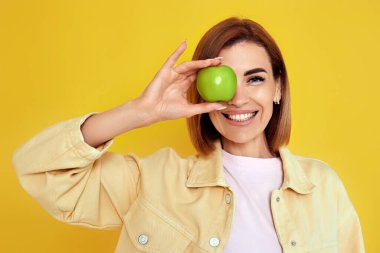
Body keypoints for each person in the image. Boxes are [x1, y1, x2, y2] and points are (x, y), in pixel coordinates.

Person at [12, 17, 365, 253]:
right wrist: (139, 111)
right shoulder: (154, 180)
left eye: (255, 78)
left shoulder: (322, 187)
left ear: (278, 88)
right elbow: (39, 169)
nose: (238, 98)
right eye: (225, 80)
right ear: (202, 90)